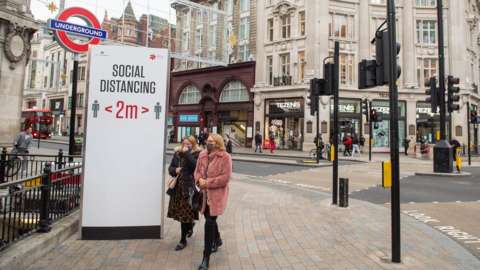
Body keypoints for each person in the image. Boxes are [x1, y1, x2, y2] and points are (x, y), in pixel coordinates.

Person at [194, 134, 232, 270]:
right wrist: (199, 180)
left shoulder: (225, 157)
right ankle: (218, 239)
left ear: (217, 143)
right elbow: (197, 171)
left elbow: (225, 178)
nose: (207, 143)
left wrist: (207, 183)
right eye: (207, 141)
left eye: (210, 141)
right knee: (209, 219)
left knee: (209, 222)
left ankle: (206, 257)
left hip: (216, 196)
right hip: (203, 195)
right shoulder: (202, 154)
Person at [167, 136, 201, 251]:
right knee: (182, 214)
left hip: (189, 189)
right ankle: (190, 226)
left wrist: (187, 154)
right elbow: (171, 168)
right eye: (184, 144)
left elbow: (195, 166)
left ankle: (183, 240)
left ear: (193, 144)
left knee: (186, 213)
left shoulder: (197, 154)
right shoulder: (177, 153)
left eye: (188, 144)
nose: (185, 146)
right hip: (178, 189)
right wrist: (174, 170)